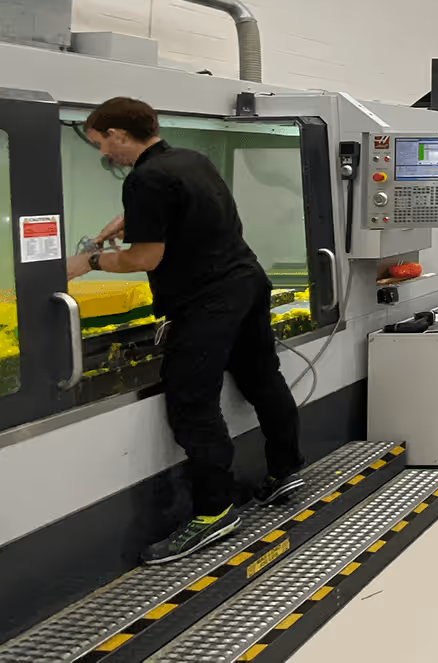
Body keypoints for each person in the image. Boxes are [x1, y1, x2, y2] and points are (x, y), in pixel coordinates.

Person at [65, 97, 305, 565]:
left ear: (118, 134)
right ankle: (285, 469)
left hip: (207, 300)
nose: (103, 155)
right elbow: (182, 208)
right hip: (247, 282)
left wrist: (85, 263)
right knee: (262, 378)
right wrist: (130, 222)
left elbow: (142, 259)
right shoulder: (188, 160)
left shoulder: (144, 178)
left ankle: (214, 513)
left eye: (101, 144)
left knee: (192, 401)